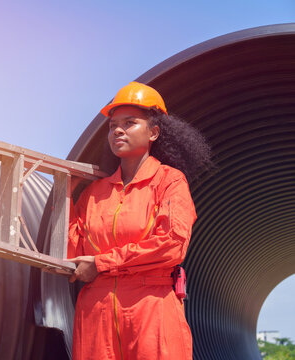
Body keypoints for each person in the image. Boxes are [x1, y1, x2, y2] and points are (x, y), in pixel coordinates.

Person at [66, 81, 212, 360]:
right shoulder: (95, 192)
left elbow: (171, 245)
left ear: (154, 132)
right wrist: (66, 196)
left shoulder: (169, 181)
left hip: (151, 310)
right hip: (96, 315)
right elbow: (73, 255)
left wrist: (102, 263)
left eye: (130, 123)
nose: (118, 130)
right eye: (112, 126)